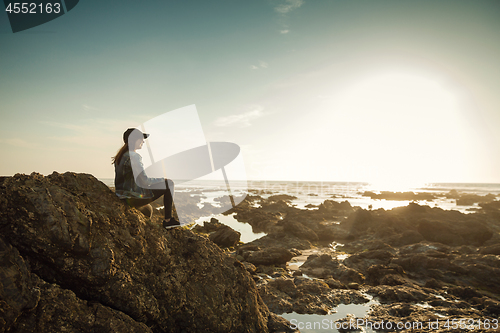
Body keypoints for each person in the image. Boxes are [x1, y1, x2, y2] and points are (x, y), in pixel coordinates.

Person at [112, 128, 181, 229]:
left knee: (148, 210)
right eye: (140, 139)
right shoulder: (134, 157)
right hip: (132, 197)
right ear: (133, 140)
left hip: (122, 196)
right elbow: (145, 180)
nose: (143, 141)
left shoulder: (120, 156)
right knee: (169, 184)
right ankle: (168, 220)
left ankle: (143, 227)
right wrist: (162, 179)